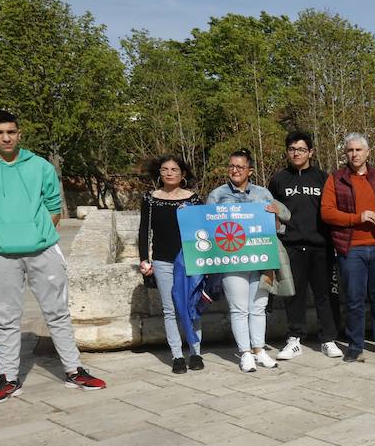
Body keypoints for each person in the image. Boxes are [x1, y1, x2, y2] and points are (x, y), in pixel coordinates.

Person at [0, 109, 107, 404]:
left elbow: (53, 207)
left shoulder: (39, 165)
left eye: (11, 131)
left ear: (19, 133)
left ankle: (74, 370)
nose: (6, 137)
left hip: (42, 249)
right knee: (6, 317)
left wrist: (35, 234)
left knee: (58, 312)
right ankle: (9, 377)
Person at [206, 149, 291, 373]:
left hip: (261, 258)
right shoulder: (217, 195)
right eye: (231, 166)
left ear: (249, 170)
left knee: (259, 307)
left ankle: (259, 350)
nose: (235, 170)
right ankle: (245, 353)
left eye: (240, 167)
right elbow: (207, 227)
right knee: (239, 308)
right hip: (231, 260)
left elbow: (279, 226)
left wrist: (274, 213)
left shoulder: (263, 193)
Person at [269, 131, 342, 360]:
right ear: (287, 152)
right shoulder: (278, 179)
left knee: (325, 295)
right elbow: (272, 213)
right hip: (290, 247)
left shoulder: (323, 178)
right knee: (294, 294)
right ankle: (294, 339)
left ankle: (328, 339)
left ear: (310, 152)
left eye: (301, 149)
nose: (296, 153)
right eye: (292, 149)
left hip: (321, 246)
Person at [321, 133, 375, 362]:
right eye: (350, 150)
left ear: (367, 152)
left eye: (358, 150)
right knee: (354, 299)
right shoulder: (336, 178)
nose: (354, 154)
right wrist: (357, 217)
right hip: (351, 248)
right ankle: (355, 344)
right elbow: (327, 213)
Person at [137, 155, 204, 374]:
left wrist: (190, 216)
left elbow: (203, 229)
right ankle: (177, 355)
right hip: (163, 260)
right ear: (159, 173)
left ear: (182, 174)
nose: (169, 173)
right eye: (165, 169)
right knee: (170, 309)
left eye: (174, 169)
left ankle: (195, 352)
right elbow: (144, 230)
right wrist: (144, 259)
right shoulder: (150, 199)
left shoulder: (193, 199)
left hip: (190, 259)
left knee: (191, 305)